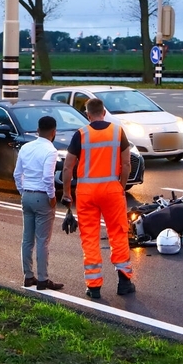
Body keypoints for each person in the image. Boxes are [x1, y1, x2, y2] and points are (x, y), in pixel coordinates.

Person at [61, 98, 134, 299]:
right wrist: (121, 185)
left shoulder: (81, 134)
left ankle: (94, 287)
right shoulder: (118, 132)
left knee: (90, 237)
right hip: (112, 190)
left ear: (88, 114)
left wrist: (67, 193)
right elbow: (126, 163)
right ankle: (125, 282)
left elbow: (68, 167)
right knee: (118, 233)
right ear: (104, 112)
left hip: (86, 193)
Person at [14, 115, 64, 291]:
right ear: (53, 132)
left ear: (37, 130)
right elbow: (48, 177)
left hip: (26, 195)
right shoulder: (50, 151)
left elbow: (16, 174)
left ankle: (28, 276)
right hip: (42, 196)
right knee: (42, 240)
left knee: (27, 239)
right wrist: (52, 197)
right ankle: (43, 279)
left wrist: (23, 190)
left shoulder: (26, 148)